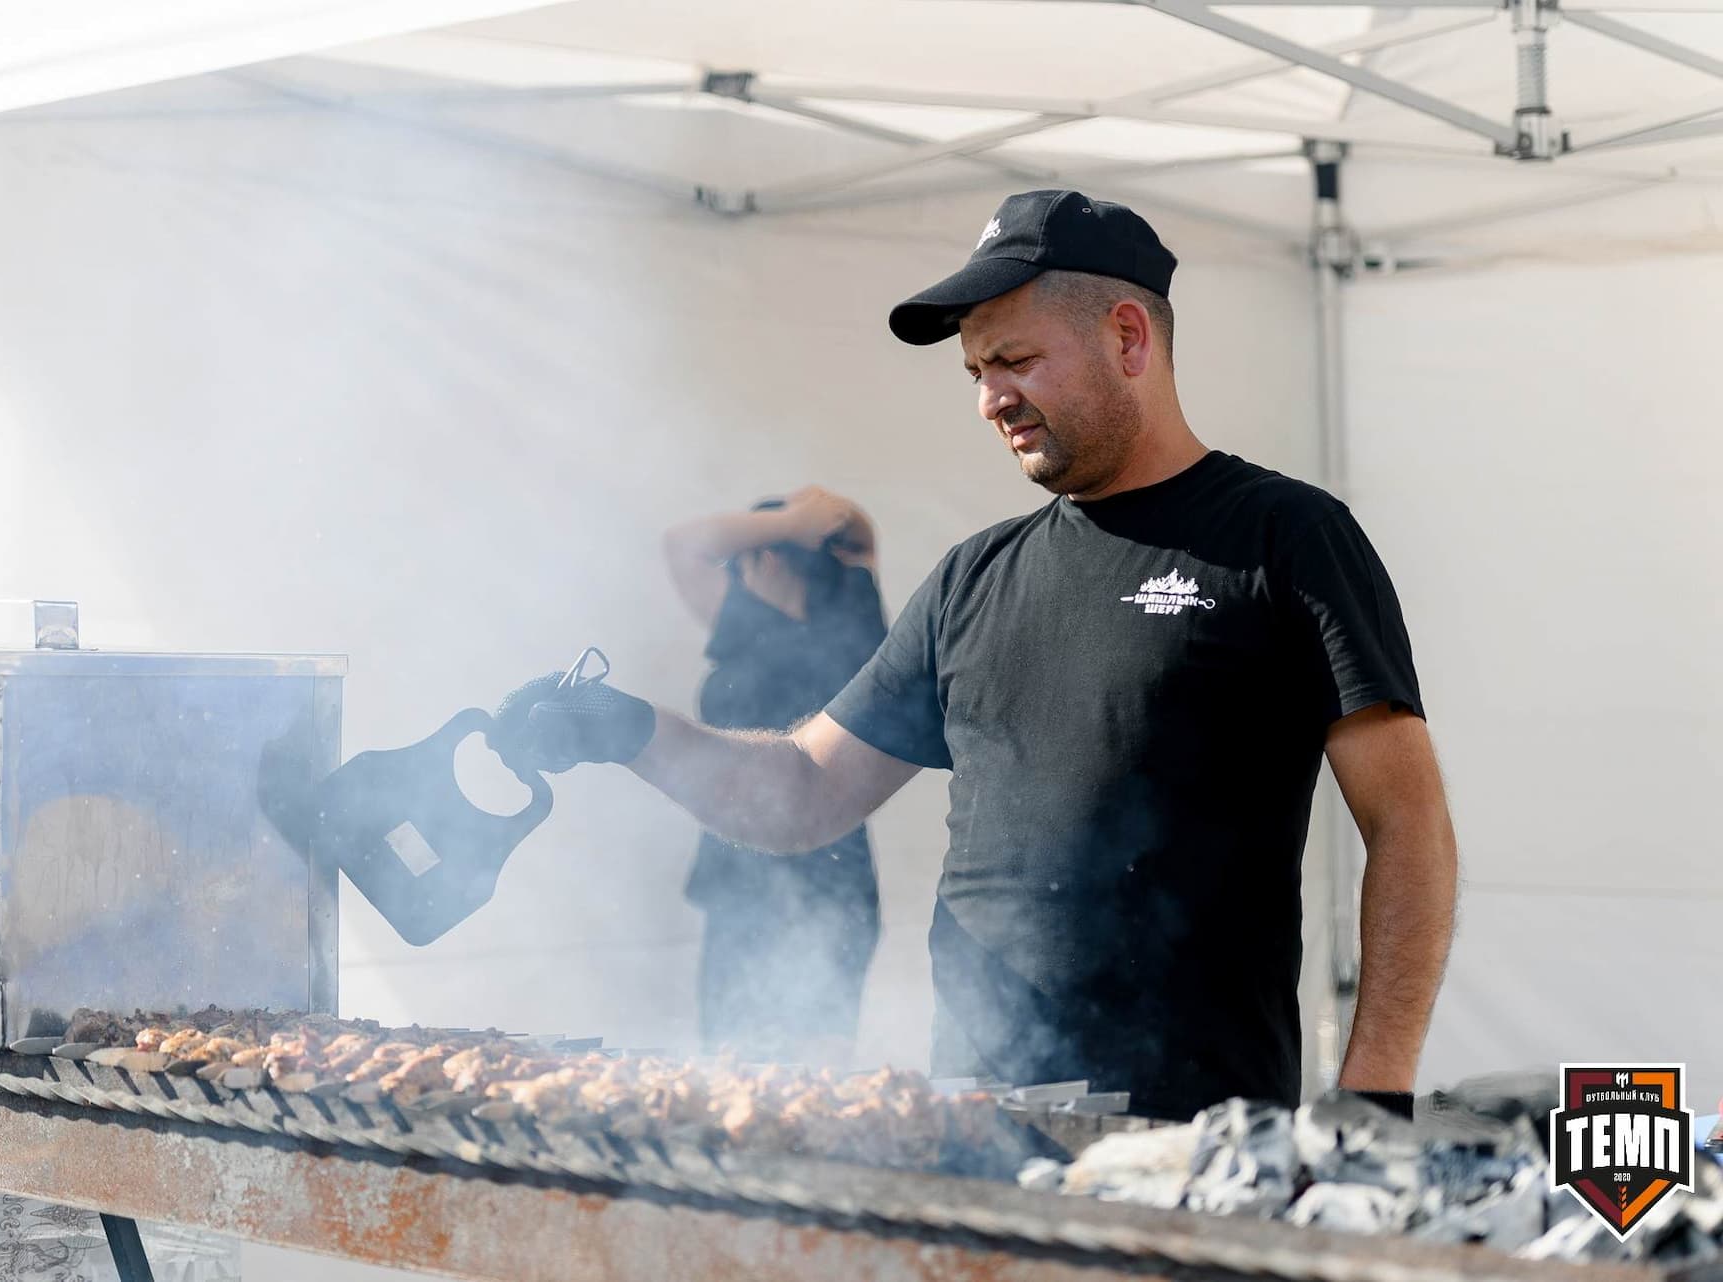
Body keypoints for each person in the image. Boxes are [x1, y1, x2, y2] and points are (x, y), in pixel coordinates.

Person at [493, 190, 1458, 1122]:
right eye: (975, 373)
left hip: (1192, 1145)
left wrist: (1374, 1096)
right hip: (972, 1134)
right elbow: (802, 792)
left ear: (1129, 339)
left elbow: (1407, 824)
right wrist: (629, 731)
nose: (992, 399)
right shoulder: (973, 578)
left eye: (1015, 361)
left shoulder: (1286, 538)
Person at [661, 489, 887, 1063]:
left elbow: (858, 534)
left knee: (814, 1061)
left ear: (764, 558)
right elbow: (680, 543)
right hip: (744, 873)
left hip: (832, 870)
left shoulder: (851, 621)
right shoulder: (747, 622)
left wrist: (792, 520)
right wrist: (794, 521)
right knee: (737, 1058)